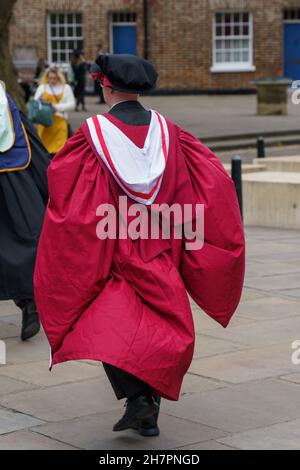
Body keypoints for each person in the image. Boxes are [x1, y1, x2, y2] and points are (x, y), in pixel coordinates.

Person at [34, 54, 245, 437]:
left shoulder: (91, 135)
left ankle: (139, 400)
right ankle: (145, 406)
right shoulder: (172, 133)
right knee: (160, 329)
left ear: (105, 85)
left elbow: (63, 183)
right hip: (159, 250)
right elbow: (212, 183)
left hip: (112, 252)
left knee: (106, 325)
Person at [0, 81, 50, 340]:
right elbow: (36, 152)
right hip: (14, 179)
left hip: (10, 174)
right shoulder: (7, 105)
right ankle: (29, 302)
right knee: (22, 240)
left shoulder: (5, 106)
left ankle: (29, 301)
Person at [34, 66, 75, 156]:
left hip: (60, 123)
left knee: (59, 150)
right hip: (44, 124)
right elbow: (35, 103)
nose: (52, 80)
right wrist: (39, 100)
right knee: (44, 150)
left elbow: (72, 104)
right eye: (50, 78)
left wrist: (56, 107)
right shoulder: (42, 87)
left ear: (59, 77)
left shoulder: (66, 88)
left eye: (54, 78)